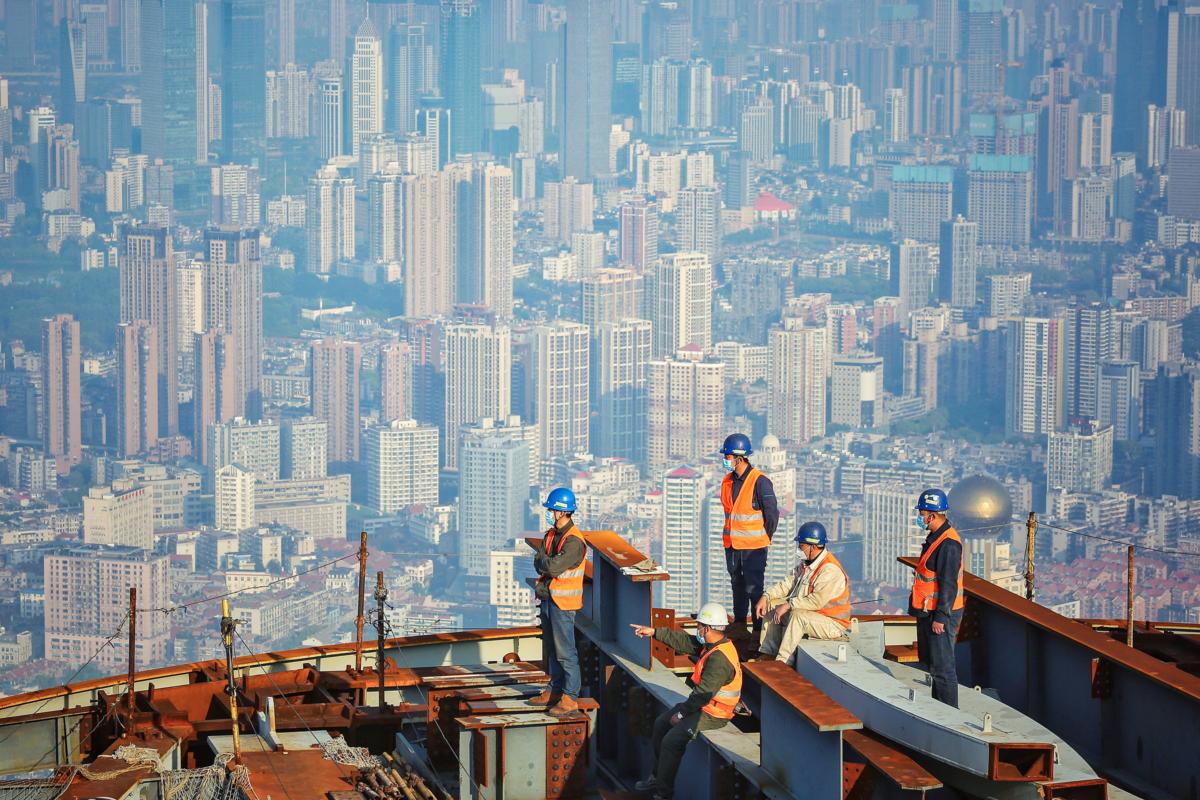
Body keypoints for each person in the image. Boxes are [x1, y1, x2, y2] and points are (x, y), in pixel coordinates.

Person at [629, 603, 742, 800]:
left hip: (714, 714)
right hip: (703, 706)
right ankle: (657, 776)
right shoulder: (711, 645)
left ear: (707, 628)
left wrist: (681, 715)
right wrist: (654, 632)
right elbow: (683, 641)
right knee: (661, 723)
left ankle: (664, 794)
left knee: (672, 741)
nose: (697, 629)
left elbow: (702, 694)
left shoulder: (719, 659)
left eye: (699, 625)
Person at [755, 521, 851, 664]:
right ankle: (769, 653)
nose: (799, 548)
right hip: (813, 615)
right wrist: (766, 596)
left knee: (798, 616)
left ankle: (783, 662)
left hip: (832, 624)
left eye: (801, 545)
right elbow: (787, 584)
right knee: (772, 605)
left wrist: (788, 605)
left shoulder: (829, 570)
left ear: (812, 546)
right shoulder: (808, 564)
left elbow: (816, 601)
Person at [528, 487, 588, 716]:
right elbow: (539, 561)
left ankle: (570, 697)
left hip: (563, 604)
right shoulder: (551, 535)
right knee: (553, 650)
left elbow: (551, 566)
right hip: (548, 598)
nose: (550, 512)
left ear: (562, 512)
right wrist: (546, 561)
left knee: (566, 651)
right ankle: (554, 690)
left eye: (552, 509)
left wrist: (546, 561)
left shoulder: (574, 542)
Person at [718, 433, 778, 642]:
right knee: (737, 584)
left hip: (754, 548)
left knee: (754, 589)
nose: (725, 460)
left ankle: (758, 631)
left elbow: (772, 514)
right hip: (733, 545)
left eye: (728, 456)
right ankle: (740, 624)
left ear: (739, 458)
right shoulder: (727, 481)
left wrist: (764, 538)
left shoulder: (759, 482)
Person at [910, 488, 964, 708]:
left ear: (932, 515)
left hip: (940, 615)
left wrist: (941, 617)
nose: (920, 517)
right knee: (934, 666)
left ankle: (949, 714)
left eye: (922, 513)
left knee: (943, 670)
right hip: (928, 610)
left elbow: (948, 584)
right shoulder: (936, 538)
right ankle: (937, 707)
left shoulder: (948, 544)